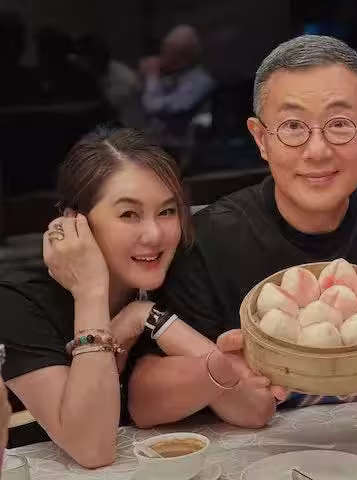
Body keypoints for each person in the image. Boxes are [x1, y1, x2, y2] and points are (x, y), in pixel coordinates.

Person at [127, 35, 357, 428]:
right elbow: (144, 401)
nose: (317, 150)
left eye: (339, 125)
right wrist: (220, 370)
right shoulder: (209, 240)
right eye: (292, 127)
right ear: (261, 139)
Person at [0, 127, 269, 466]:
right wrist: (91, 294)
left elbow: (253, 408)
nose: (154, 234)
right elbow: (92, 449)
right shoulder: (17, 307)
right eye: (129, 214)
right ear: (74, 223)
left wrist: (147, 316)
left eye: (167, 211)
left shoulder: (173, 284)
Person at [140, 24, 214, 161]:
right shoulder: (167, 76)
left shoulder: (200, 82)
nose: (159, 57)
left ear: (180, 58)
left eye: (165, 52)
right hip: (156, 148)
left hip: (184, 151)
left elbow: (155, 107)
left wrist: (152, 78)